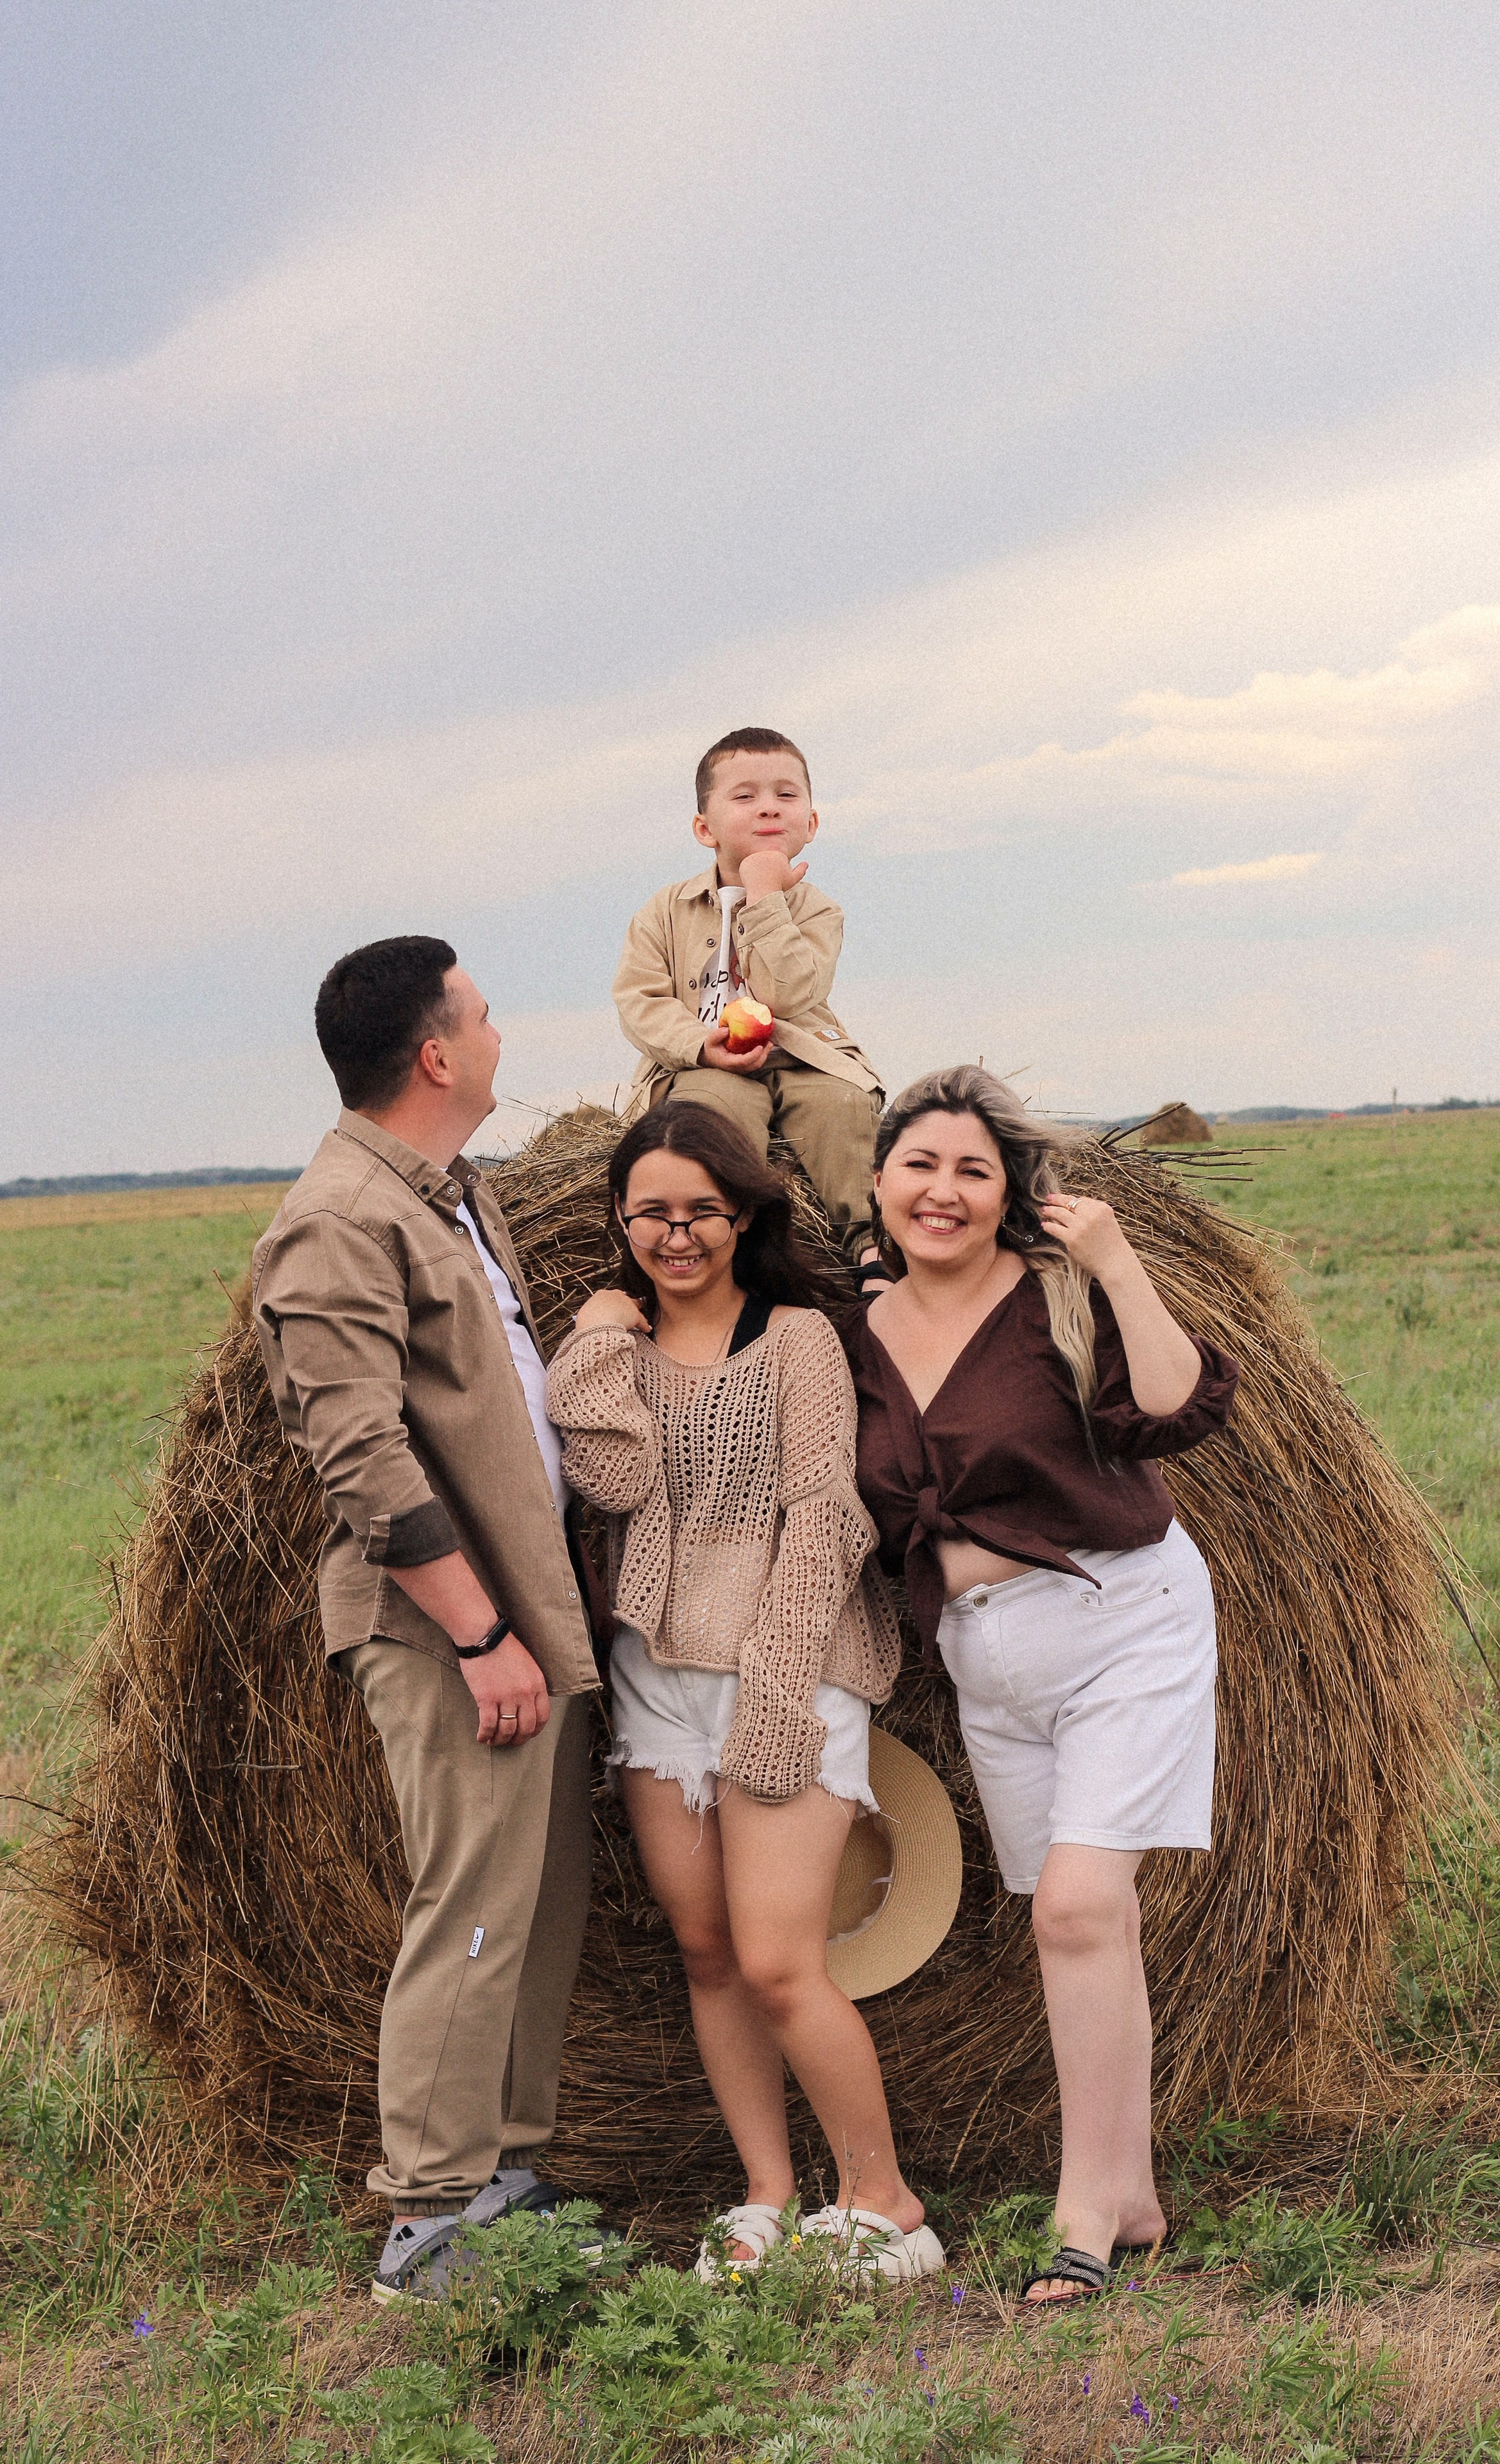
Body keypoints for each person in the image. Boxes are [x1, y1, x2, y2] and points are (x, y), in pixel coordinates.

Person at [840, 1066, 1238, 2304]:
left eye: (973, 1169)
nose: (943, 1192)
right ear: (879, 1181)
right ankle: (1132, 2192)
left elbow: (1182, 1408)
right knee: (1078, 1922)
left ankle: (1085, 2211)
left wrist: (1118, 1261)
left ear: (1010, 1190)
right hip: (985, 1660)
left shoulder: (1056, 1297)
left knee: (1075, 1905)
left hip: (1122, 1621)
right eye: (920, 1165)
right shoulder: (854, 1330)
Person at [251, 936, 605, 2307]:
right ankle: (433, 2217)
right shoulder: (341, 1214)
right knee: (466, 1909)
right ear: (437, 1054)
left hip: (522, 1614)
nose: (505, 1034)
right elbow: (359, 1456)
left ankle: (504, 2178)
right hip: (452, 1635)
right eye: (489, 1013)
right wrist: (475, 1634)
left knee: (529, 1910)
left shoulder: (444, 1195)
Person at [545, 1102, 942, 2282]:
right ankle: (767, 2192)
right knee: (710, 1955)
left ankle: (885, 2200)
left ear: (742, 1213)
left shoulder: (801, 1341)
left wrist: (776, 1697)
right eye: (651, 1214)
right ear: (622, 1221)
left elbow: (826, 1522)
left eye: (701, 1212)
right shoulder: (619, 1340)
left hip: (790, 1671)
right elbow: (609, 1474)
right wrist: (600, 1334)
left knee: (780, 1963)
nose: (677, 1236)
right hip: (658, 1688)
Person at [612, 726, 887, 1284]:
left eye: (787, 795)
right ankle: (731, 1253)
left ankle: (871, 1246)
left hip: (801, 1053)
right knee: (711, 1118)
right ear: (703, 828)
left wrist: (767, 896)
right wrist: (699, 1046)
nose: (768, 808)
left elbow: (787, 997)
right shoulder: (664, 910)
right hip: (703, 1063)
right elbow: (638, 1000)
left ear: (810, 824)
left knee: (843, 1107)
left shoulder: (818, 911)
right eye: (745, 796)